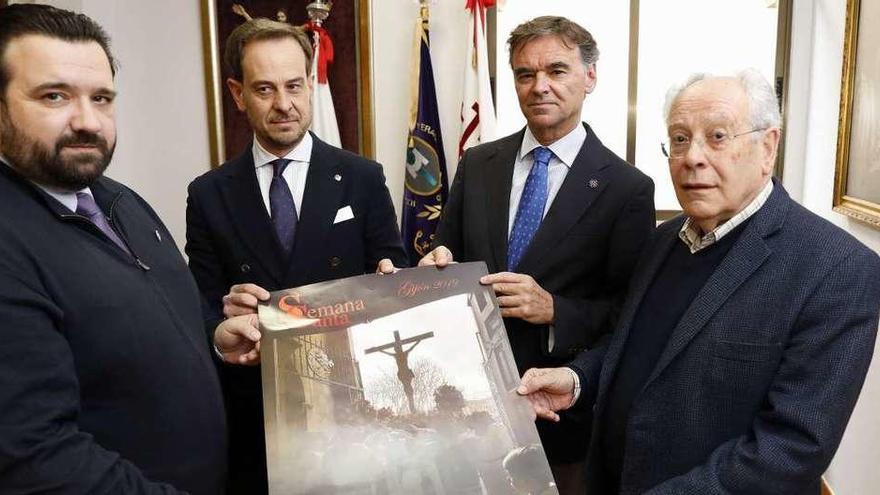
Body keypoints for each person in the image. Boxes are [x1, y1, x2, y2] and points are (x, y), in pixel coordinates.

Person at [517, 69, 880, 494]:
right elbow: (631, 345)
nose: (692, 158)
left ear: (768, 147)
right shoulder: (663, 240)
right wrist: (576, 380)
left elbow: (791, 449)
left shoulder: (838, 269)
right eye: (680, 139)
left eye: (718, 136)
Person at [379, 16, 655, 491]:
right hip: (468, 414)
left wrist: (554, 311)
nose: (539, 86)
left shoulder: (626, 189)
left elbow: (630, 318)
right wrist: (431, 273)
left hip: (559, 421)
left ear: (590, 76)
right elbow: (449, 254)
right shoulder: (478, 163)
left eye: (556, 70)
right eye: (525, 74)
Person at [0, 4, 258, 493]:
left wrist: (215, 340)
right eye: (54, 96)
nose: (87, 121)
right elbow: (37, 458)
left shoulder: (118, 198)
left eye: (101, 98)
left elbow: (165, 312)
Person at [185, 18, 407, 493]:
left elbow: (392, 272)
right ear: (237, 93)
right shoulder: (208, 194)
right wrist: (222, 327)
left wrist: (393, 282)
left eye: (294, 85)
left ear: (310, 83)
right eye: (264, 89)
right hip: (255, 411)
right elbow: (199, 306)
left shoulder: (362, 177)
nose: (284, 104)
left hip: (351, 406)